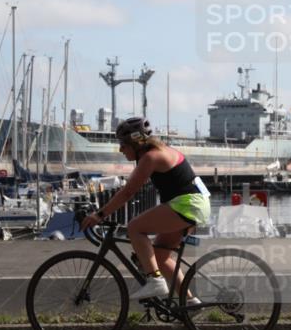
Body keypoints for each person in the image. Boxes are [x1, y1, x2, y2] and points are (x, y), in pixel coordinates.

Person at [80, 117, 211, 301]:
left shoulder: (151, 157)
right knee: (160, 258)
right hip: (195, 204)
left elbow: (127, 193)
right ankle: (189, 303)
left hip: (187, 204)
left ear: (136, 143)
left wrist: (99, 215)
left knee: (135, 228)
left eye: (123, 145)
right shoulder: (160, 150)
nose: (120, 149)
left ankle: (155, 281)